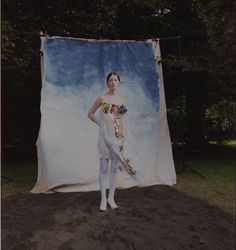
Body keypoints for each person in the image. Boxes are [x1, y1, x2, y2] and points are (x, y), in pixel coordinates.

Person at [88, 72, 144, 212]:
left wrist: (124, 139)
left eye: (115, 80)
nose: (113, 82)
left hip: (118, 139)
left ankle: (111, 198)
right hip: (104, 139)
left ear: (118, 83)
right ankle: (102, 199)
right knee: (103, 169)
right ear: (107, 83)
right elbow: (90, 114)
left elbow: (122, 121)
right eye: (110, 80)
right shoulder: (102, 98)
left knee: (114, 170)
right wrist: (101, 124)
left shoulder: (121, 100)